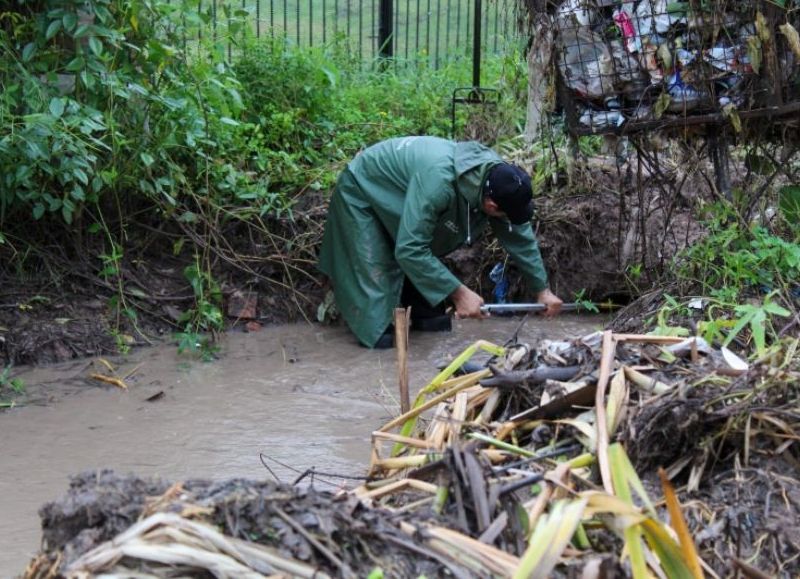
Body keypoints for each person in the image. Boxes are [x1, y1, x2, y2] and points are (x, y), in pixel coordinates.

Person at [318, 136, 563, 348]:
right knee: (381, 335)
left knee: (434, 322)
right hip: (362, 191)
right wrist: (459, 294)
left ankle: (416, 309)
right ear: (491, 206)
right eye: (505, 214)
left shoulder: (498, 180)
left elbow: (518, 236)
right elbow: (410, 249)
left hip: (404, 201)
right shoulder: (439, 184)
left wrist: (542, 290)